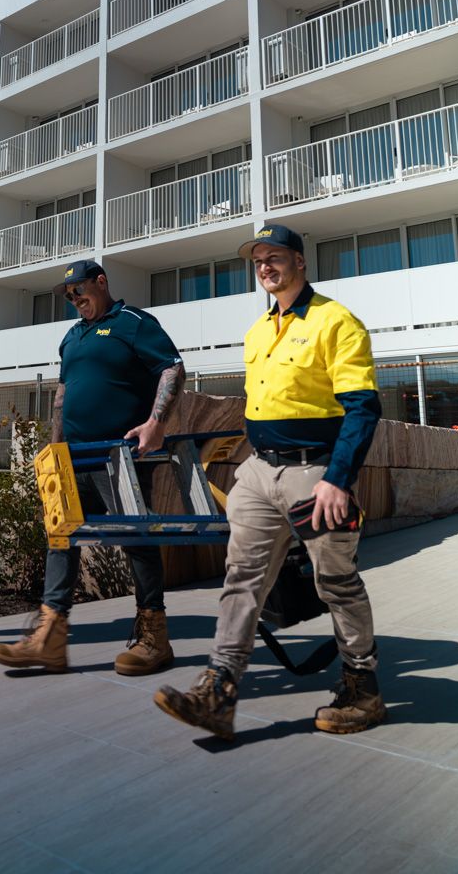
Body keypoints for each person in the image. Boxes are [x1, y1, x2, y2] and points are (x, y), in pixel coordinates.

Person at [155, 224, 386, 739]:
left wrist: (338, 479)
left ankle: (362, 688)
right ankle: (219, 689)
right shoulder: (259, 329)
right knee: (242, 578)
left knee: (337, 583)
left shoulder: (335, 321)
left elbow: (362, 409)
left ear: (299, 262)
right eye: (257, 260)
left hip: (316, 474)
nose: (264, 267)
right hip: (259, 471)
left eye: (275, 257)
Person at [0, 259, 185, 676]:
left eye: (80, 290)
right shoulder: (72, 337)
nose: (75, 299)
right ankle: (50, 638)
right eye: (68, 295)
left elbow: (172, 367)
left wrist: (156, 424)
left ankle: (155, 636)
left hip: (121, 456)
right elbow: (62, 397)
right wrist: (53, 450)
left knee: (137, 538)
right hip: (73, 458)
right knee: (61, 537)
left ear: (101, 282)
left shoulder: (132, 321)